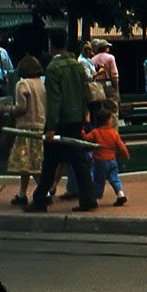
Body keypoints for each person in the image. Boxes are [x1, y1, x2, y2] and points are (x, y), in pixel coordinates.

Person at [26, 35, 98, 213]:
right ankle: (88, 198)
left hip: (61, 120)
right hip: (76, 118)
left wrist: (51, 126)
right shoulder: (76, 65)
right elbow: (85, 91)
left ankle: (40, 199)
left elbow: (55, 99)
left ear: (51, 45)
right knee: (79, 161)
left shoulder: (53, 68)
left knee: (50, 162)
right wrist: (84, 113)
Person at [2, 55, 46, 205]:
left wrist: (8, 109)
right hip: (40, 126)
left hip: (25, 128)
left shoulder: (22, 84)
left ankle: (43, 192)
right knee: (32, 163)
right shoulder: (41, 83)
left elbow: (22, 107)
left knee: (28, 163)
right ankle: (22, 193)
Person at [84, 109, 130, 206]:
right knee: (114, 178)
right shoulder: (114, 133)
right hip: (112, 160)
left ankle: (95, 198)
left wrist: (82, 130)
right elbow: (121, 146)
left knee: (98, 181)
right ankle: (120, 194)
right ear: (108, 121)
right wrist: (126, 155)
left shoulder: (96, 132)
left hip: (100, 161)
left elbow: (86, 138)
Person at [91, 40, 120, 121]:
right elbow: (114, 73)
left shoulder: (93, 59)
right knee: (112, 107)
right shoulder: (110, 57)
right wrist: (115, 85)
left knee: (100, 108)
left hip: (97, 84)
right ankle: (113, 126)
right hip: (108, 83)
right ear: (105, 48)